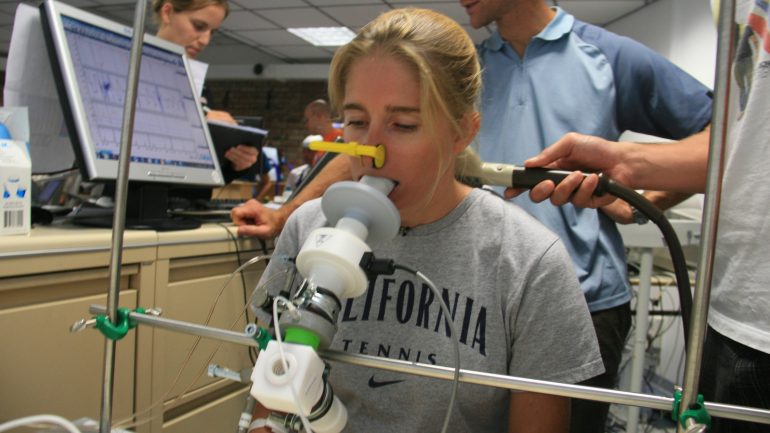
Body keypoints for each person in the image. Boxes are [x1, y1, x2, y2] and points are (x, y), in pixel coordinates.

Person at [248, 8, 603, 433]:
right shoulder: (307, 228)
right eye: (357, 122)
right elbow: (270, 393)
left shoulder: (529, 261)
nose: (370, 149)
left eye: (403, 124)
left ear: (461, 132)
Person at [455, 1, 713, 431]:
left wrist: (640, 201)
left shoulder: (608, 55)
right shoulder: (468, 70)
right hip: (477, 300)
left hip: (585, 304)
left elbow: (724, 135)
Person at [516, 3, 769, 431]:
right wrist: (629, 165)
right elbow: (743, 141)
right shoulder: (740, 11)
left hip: (587, 300)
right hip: (732, 315)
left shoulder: (604, 52)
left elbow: (708, 122)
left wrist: (641, 190)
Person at [152, 0, 260, 184]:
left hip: (184, 204)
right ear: (167, 12)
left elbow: (207, 172)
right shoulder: (125, 69)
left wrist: (234, 163)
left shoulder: (200, 87)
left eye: (212, 31)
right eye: (199, 26)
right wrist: (196, 124)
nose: (205, 40)